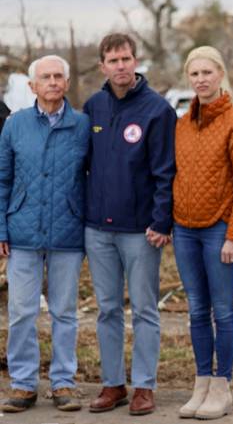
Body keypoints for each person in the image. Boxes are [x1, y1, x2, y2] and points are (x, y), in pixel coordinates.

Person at [83, 33, 177, 416]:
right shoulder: (93, 107)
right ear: (103, 65)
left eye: (126, 59)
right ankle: (113, 384)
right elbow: (82, 165)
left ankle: (144, 386)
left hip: (141, 231)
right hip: (97, 230)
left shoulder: (157, 110)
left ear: (136, 62)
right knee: (107, 309)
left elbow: (165, 171)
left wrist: (161, 220)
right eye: (113, 60)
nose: (121, 66)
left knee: (144, 310)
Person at [172, 46, 233, 420]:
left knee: (222, 311)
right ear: (188, 79)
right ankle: (202, 381)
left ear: (220, 75)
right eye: (195, 74)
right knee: (195, 310)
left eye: (208, 72)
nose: (201, 79)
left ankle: (222, 386)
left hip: (220, 230)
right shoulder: (183, 123)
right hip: (184, 230)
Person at [0, 55, 90, 413]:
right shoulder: (15, 125)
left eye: (58, 76)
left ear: (66, 84)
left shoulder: (83, 125)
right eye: (45, 77)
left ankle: (63, 382)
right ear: (32, 86)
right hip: (22, 232)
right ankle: (23, 384)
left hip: (68, 233)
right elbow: (3, 179)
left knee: (64, 311)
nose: (52, 82)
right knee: (21, 311)